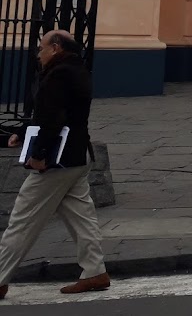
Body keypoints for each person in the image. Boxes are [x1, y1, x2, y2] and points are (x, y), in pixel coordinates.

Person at [0, 30, 109, 299]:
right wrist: (23, 133)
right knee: (82, 218)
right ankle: (95, 272)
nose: (39, 53)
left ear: (56, 47)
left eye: (42, 48)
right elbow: (57, 114)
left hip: (56, 161)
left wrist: (39, 154)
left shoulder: (58, 74)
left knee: (23, 219)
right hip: (77, 156)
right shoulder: (78, 70)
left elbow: (52, 118)